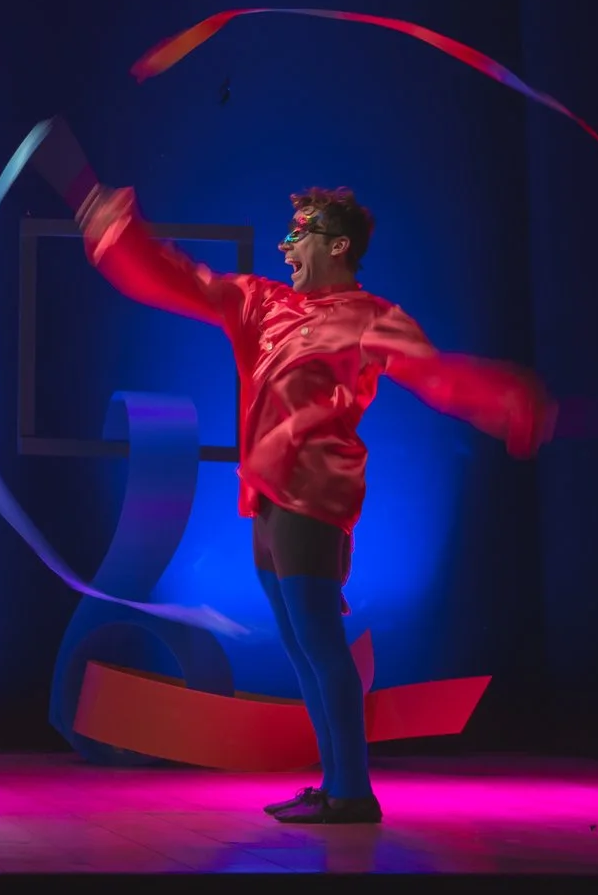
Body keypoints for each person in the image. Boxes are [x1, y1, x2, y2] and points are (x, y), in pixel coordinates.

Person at [76, 184, 552, 825]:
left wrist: (507, 401)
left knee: (321, 643)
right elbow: (181, 282)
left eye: (298, 234)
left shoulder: (372, 318)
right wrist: (121, 236)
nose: (285, 246)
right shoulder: (260, 303)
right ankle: (335, 785)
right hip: (265, 498)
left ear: (338, 245)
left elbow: (437, 376)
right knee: (304, 649)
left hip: (314, 495)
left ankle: (352, 792)